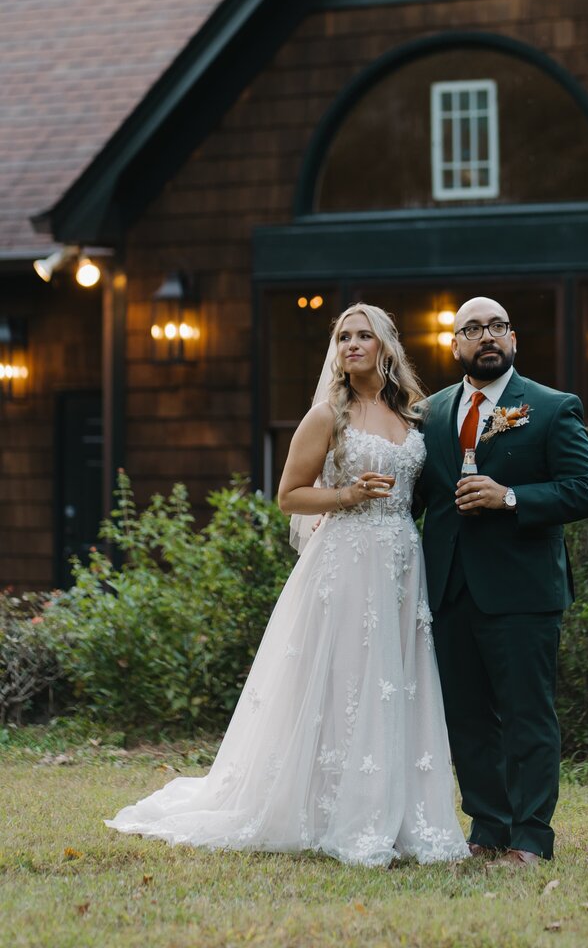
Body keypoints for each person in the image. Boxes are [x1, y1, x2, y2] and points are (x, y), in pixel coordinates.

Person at [105, 304, 468, 867]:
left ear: (386, 347)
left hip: (401, 559)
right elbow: (289, 495)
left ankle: (402, 815)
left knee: (396, 680)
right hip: (346, 559)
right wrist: (347, 496)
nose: (350, 345)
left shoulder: (415, 417)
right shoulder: (327, 416)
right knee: (347, 678)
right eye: (343, 336)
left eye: (362, 336)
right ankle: (334, 810)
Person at [415, 296, 588, 867]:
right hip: (449, 589)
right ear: (454, 345)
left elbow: (587, 490)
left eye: (496, 327)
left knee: (527, 715)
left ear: (513, 339)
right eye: (472, 329)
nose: (486, 337)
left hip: (523, 594)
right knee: (467, 717)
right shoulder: (431, 413)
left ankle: (530, 836)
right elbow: (419, 497)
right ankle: (488, 824)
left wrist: (511, 496)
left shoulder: (549, 408)